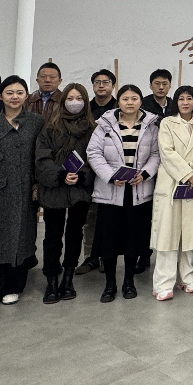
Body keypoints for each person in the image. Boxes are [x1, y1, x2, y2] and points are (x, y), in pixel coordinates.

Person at [0, 75, 44, 309]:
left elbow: (41, 157)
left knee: (21, 239)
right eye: (10, 93)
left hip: (25, 192)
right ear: (0, 95)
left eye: (19, 93)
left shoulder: (36, 122)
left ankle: (13, 287)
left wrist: (38, 186)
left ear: (26, 96)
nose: (15, 97)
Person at [88, 84, 160, 302]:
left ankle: (129, 282)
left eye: (134, 98)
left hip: (138, 191)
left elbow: (156, 154)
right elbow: (93, 153)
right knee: (109, 240)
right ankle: (110, 284)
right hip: (111, 191)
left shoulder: (151, 125)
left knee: (133, 240)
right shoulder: (105, 124)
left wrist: (145, 174)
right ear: (118, 101)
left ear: (140, 101)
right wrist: (110, 176)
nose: (130, 102)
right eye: (125, 99)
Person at [34, 82, 96, 304]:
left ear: (85, 102)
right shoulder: (50, 128)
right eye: (70, 98)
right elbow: (41, 158)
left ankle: (68, 279)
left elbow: (96, 158)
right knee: (52, 236)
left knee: (75, 234)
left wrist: (82, 175)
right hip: (54, 189)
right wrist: (60, 175)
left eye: (79, 98)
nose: (74, 103)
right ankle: (51, 280)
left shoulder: (93, 129)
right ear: (62, 102)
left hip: (80, 190)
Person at [150, 86, 193, 301]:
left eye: (189, 98)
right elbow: (167, 152)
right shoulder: (167, 123)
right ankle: (163, 283)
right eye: (181, 99)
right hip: (171, 182)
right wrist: (188, 174)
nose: (185, 102)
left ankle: (187, 276)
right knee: (168, 234)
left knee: (190, 232)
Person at [77, 68, 118, 276]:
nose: (101, 86)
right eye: (97, 82)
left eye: (106, 82)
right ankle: (90, 256)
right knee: (90, 215)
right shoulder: (84, 109)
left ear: (113, 85)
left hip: (114, 169)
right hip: (87, 168)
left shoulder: (120, 108)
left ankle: (107, 256)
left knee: (110, 217)